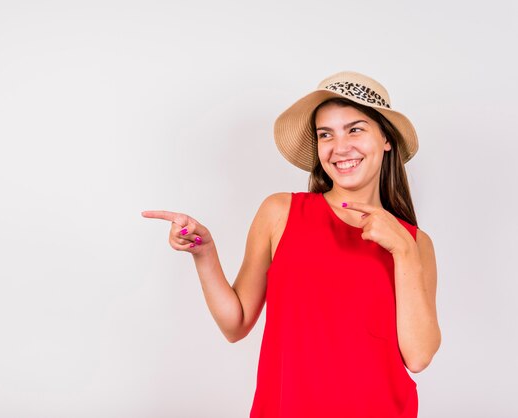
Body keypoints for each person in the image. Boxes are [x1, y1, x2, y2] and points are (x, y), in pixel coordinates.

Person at [141, 71, 441, 417]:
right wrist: (204, 252)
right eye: (326, 134)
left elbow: (418, 357)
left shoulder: (416, 243)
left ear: (386, 139)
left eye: (355, 129)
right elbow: (235, 324)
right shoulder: (281, 212)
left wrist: (402, 250)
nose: (340, 147)